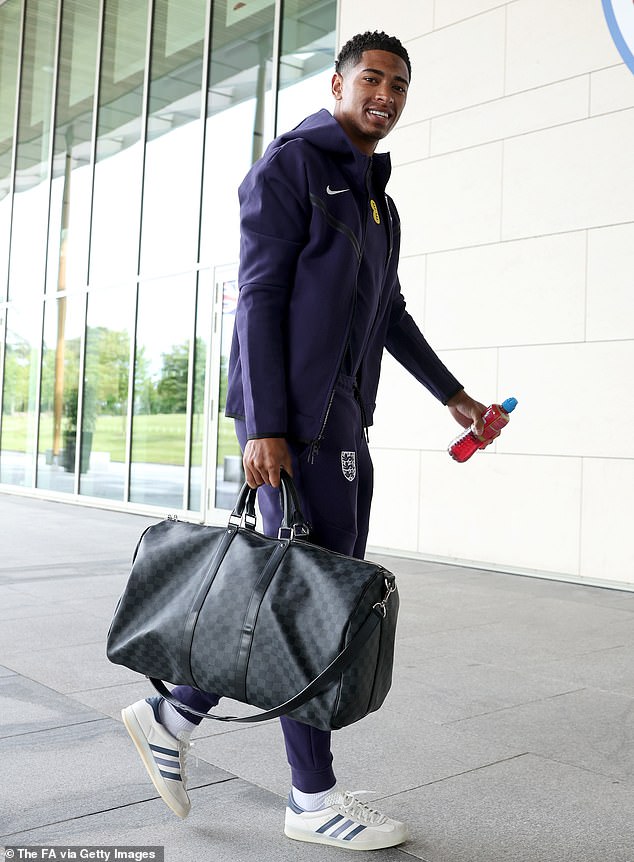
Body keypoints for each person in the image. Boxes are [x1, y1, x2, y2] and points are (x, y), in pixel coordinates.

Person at [121, 30, 486, 851]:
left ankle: (171, 714)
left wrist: (453, 396)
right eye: (372, 80)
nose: (385, 96)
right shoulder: (291, 169)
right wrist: (263, 427)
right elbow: (256, 300)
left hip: (343, 419)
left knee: (300, 593)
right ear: (337, 83)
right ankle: (310, 797)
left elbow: (389, 314)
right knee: (310, 604)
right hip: (298, 425)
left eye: (398, 86)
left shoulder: (377, 201)